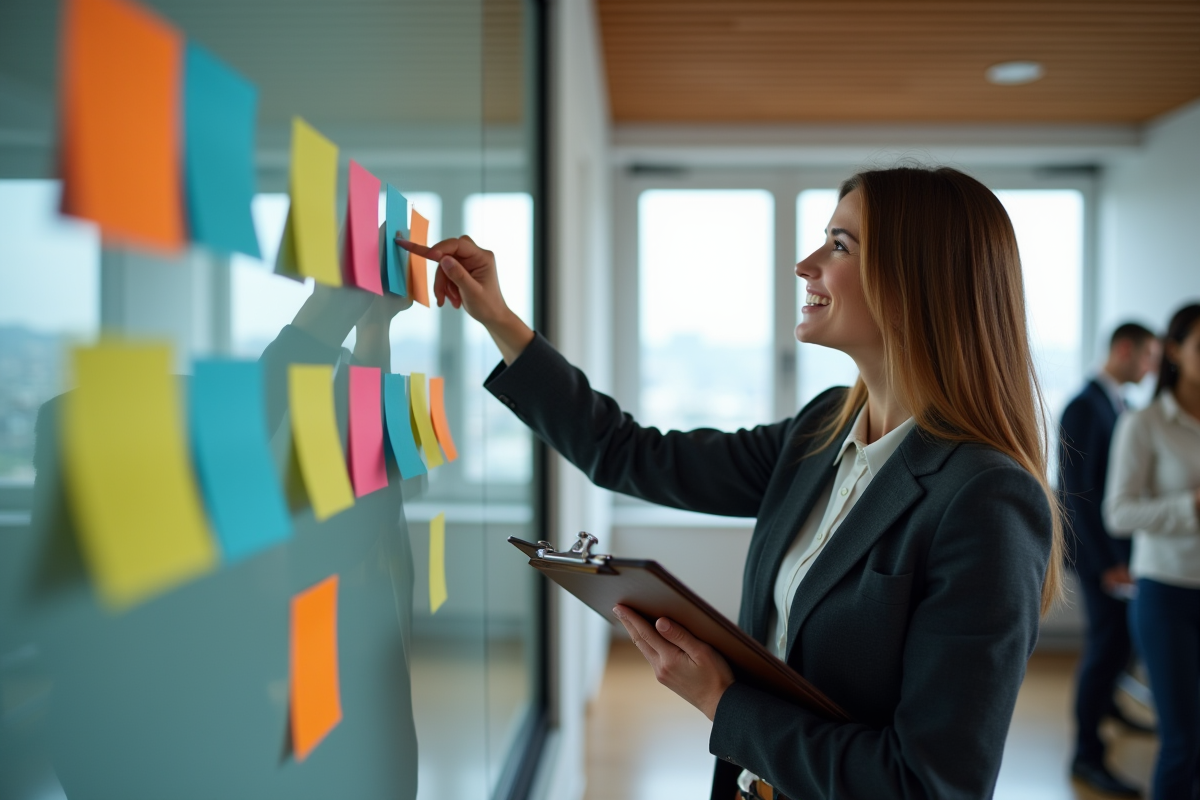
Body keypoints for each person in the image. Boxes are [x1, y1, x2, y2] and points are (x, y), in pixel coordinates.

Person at [401, 166, 1062, 800]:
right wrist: (499, 319)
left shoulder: (986, 500)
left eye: (839, 245)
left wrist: (719, 699)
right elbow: (626, 452)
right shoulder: (820, 432)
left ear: (918, 281)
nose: (806, 264)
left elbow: (927, 786)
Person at [1106, 303, 1200, 800]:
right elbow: (1117, 512)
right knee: (1183, 742)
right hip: (1167, 596)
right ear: (1176, 354)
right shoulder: (1143, 424)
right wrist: (1190, 508)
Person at [1061, 322, 1159, 797]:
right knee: (1107, 647)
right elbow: (1078, 493)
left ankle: (1111, 709)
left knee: (1119, 643)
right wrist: (1106, 565)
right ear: (1125, 350)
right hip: (1100, 558)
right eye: (1147, 356)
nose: (1152, 366)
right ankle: (1086, 754)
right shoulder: (1084, 406)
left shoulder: (1116, 402)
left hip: (1115, 555)